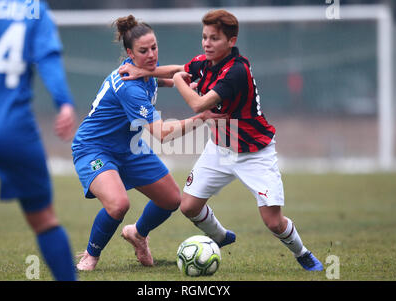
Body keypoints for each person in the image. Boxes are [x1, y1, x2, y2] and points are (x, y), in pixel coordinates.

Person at [119, 9, 324, 271]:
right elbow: (181, 69)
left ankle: (303, 253)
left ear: (231, 41)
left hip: (254, 152)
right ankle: (219, 236)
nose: (207, 43)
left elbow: (198, 104)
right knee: (189, 206)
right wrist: (143, 72)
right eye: (204, 37)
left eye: (214, 38)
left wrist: (179, 82)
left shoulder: (236, 71)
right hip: (219, 148)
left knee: (273, 222)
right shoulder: (206, 62)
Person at [72, 15, 227, 271]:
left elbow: (179, 75)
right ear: (130, 53)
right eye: (143, 51)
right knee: (119, 204)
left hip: (129, 148)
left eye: (154, 47)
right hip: (94, 148)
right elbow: (162, 134)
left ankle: (138, 234)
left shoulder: (143, 74)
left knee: (171, 200)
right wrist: (202, 116)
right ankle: (90, 255)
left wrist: (202, 78)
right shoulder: (129, 86)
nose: (152, 54)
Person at [0, 0, 77, 280]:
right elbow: (48, 58)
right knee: (45, 219)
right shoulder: (33, 9)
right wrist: (64, 102)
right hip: (11, 127)